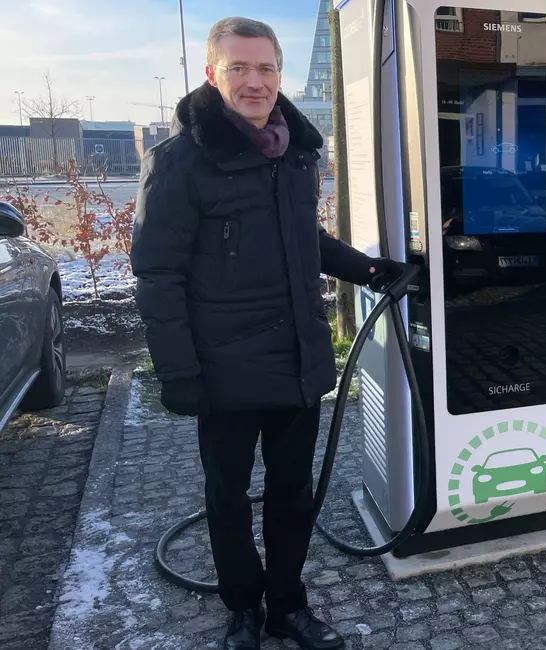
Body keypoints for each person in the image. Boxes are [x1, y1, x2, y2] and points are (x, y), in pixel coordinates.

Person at [131, 16, 407, 650]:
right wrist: (178, 372)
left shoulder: (297, 152)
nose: (255, 82)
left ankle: (286, 604)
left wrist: (369, 268)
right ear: (212, 73)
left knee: (292, 495)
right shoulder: (178, 163)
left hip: (297, 363)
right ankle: (242, 612)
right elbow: (157, 275)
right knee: (226, 497)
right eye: (239, 68)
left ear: (280, 74)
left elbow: (304, 242)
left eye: (265, 68)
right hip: (223, 372)